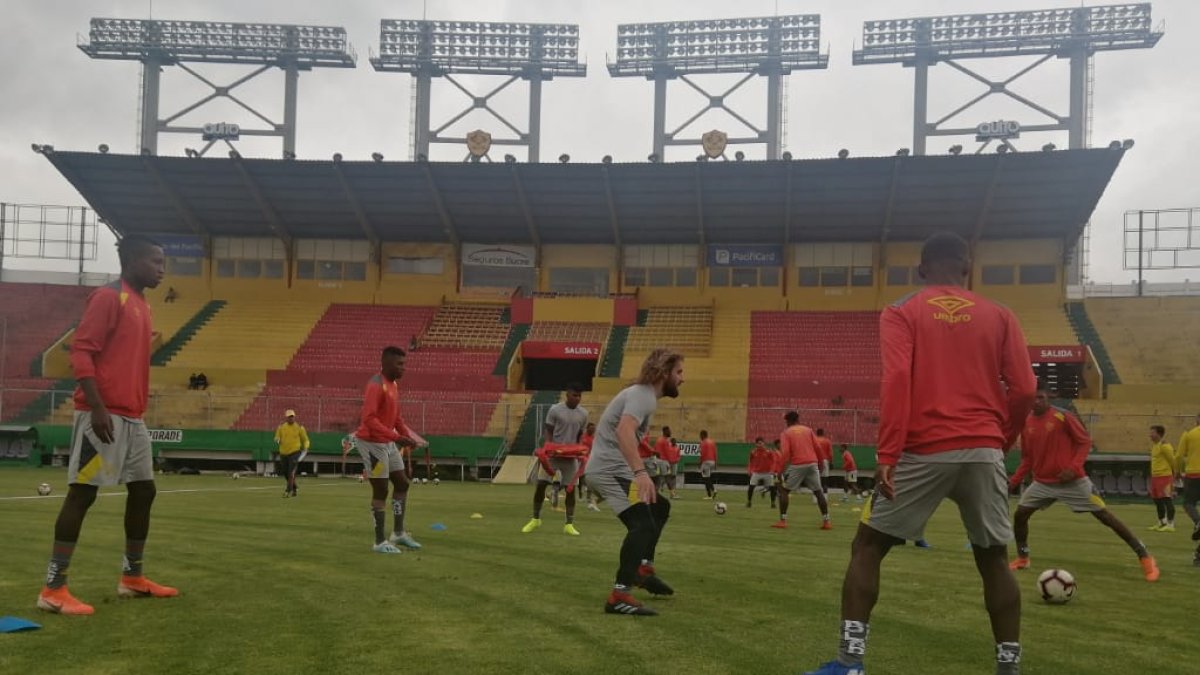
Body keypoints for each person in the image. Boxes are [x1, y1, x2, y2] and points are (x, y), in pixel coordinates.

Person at [804, 232, 1037, 675]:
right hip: (984, 449)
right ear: (967, 268)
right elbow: (1025, 389)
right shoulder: (1001, 314)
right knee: (993, 558)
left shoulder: (902, 310)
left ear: (922, 269)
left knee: (867, 546)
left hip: (923, 449)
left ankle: (849, 664)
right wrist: (999, 441)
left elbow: (897, 380)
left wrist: (887, 454)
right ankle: (1009, 668)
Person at [37, 234, 177, 615]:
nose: (162, 269)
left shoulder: (143, 305)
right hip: (102, 414)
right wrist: (97, 408)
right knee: (82, 494)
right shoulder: (108, 297)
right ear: (132, 261)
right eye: (156, 261)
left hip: (133, 418)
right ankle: (53, 588)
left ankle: (132, 577)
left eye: (164, 262)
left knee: (144, 490)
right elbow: (82, 353)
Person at [1009, 384, 1158, 582]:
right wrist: (1014, 481)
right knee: (1020, 515)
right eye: (1033, 398)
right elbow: (1027, 458)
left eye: (1041, 397)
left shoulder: (1063, 416)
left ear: (1049, 397)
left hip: (1073, 482)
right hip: (1043, 483)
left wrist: (1073, 467)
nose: (1037, 401)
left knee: (1105, 516)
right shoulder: (1026, 422)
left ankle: (1144, 556)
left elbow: (1084, 442)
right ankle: (1023, 557)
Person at [583, 348, 684, 616]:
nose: (682, 378)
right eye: (678, 372)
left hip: (613, 468)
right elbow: (624, 431)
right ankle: (619, 595)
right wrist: (640, 473)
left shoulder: (642, 395)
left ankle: (643, 568)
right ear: (664, 373)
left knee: (659, 507)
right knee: (642, 525)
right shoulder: (643, 395)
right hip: (608, 470)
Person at [353, 346, 421, 554]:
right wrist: (397, 437)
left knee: (402, 483)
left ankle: (398, 533)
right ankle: (379, 542)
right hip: (371, 444)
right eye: (400, 364)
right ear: (387, 364)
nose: (403, 368)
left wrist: (407, 437)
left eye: (404, 364)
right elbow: (368, 419)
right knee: (381, 490)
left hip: (387, 442)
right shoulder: (376, 385)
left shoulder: (393, 385)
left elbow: (397, 417)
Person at [522, 384, 588, 536]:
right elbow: (548, 431)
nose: (577, 398)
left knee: (570, 490)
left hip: (571, 456)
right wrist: (549, 447)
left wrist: (578, 449)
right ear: (567, 394)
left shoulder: (583, 413)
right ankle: (535, 519)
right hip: (553, 455)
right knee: (541, 485)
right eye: (574, 395)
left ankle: (569, 524)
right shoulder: (555, 410)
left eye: (579, 396)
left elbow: (580, 435)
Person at [774, 411, 830, 530]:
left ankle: (783, 520)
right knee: (818, 491)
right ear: (798, 420)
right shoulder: (808, 430)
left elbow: (785, 453)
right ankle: (826, 521)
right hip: (812, 463)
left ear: (788, 421)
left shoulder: (786, 433)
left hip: (798, 464)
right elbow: (818, 447)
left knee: (784, 491)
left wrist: (780, 470)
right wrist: (820, 463)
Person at [1178, 414, 1200, 565]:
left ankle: (1198, 521)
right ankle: (1198, 555)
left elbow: (1179, 456)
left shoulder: (1189, 434)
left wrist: (1178, 471)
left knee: (1188, 503)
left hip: (1193, 474)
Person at [274, 409, 311, 498]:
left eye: (292, 416)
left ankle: (288, 491)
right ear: (286, 418)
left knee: (291, 472)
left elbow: (305, 439)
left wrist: (306, 447)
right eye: (289, 417)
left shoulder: (299, 428)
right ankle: (294, 487)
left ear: (294, 417)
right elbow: (276, 437)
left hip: (295, 452)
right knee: (285, 472)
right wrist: (278, 440)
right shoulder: (281, 427)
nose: (291, 418)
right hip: (283, 453)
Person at [1148, 425, 1177, 532]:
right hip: (1155, 477)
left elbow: (1173, 460)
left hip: (1165, 477)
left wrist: (1176, 474)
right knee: (1157, 500)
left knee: (1167, 499)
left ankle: (1171, 524)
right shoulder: (1155, 446)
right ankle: (1162, 522)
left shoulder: (1165, 446)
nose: (1150, 435)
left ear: (1159, 434)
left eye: (1152, 433)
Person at [746, 437, 775, 508]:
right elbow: (750, 462)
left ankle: (773, 503)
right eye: (758, 443)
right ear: (756, 444)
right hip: (757, 472)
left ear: (764, 443)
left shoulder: (768, 451)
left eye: (761, 443)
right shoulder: (753, 452)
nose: (760, 445)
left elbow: (773, 461)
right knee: (751, 487)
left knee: (772, 488)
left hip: (767, 472)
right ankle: (749, 502)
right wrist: (749, 470)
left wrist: (772, 470)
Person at [658, 427, 681, 499]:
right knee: (667, 477)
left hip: (661, 461)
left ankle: (670, 493)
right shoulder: (665, 441)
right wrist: (670, 461)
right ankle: (672, 494)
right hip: (664, 461)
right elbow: (667, 453)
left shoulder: (660, 440)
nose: (670, 432)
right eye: (669, 431)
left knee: (663, 477)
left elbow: (656, 450)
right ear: (665, 432)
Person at [698, 429, 719, 500]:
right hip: (712, 462)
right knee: (707, 477)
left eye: (700, 436)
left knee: (705, 478)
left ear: (703, 435)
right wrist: (716, 463)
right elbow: (715, 453)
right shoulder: (712, 442)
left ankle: (712, 491)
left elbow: (702, 454)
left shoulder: (703, 443)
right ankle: (710, 494)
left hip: (706, 462)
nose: (700, 437)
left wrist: (700, 463)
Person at [815, 428, 834, 496]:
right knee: (824, 479)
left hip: (815, 460)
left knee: (816, 479)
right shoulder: (827, 441)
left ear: (816, 433)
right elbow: (830, 453)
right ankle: (825, 497)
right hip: (824, 460)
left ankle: (815, 498)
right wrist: (831, 462)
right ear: (823, 433)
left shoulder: (814, 440)